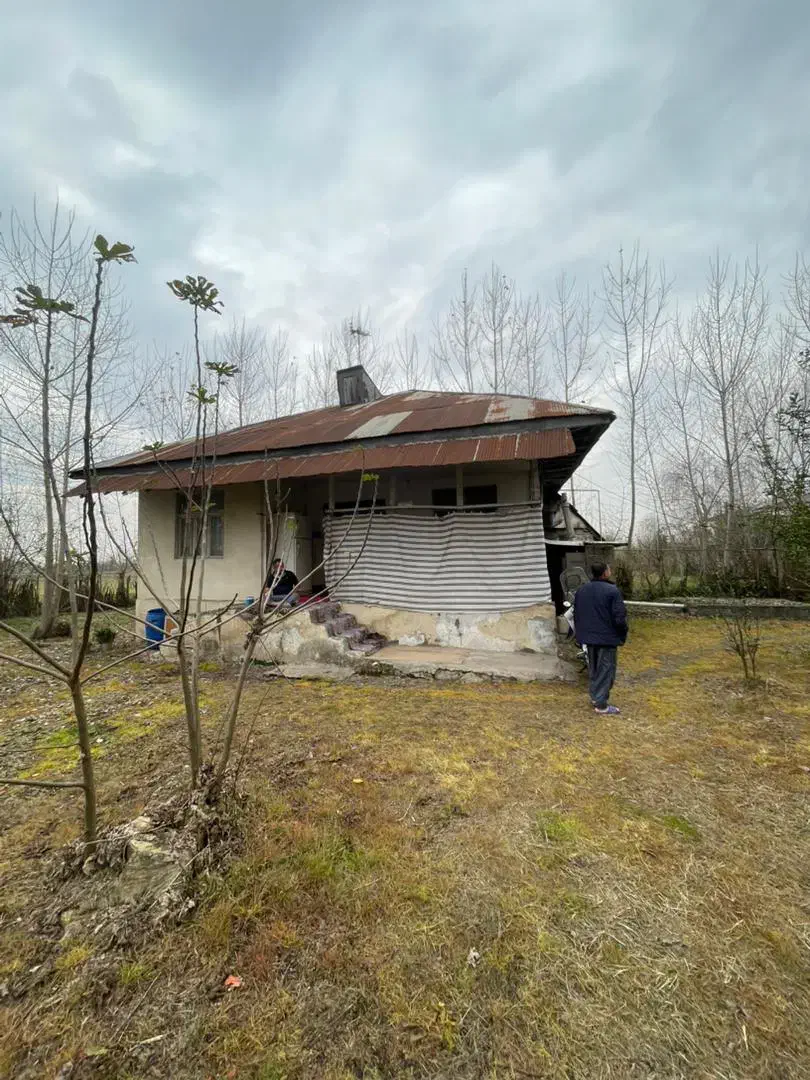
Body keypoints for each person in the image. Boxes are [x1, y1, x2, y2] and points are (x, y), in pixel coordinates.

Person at [573, 562, 628, 715]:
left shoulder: (582, 590)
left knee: (594, 669)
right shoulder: (612, 591)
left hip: (589, 637)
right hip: (606, 638)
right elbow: (619, 617)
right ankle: (601, 704)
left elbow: (577, 614)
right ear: (605, 573)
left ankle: (595, 697)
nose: (610, 571)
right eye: (609, 569)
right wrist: (623, 632)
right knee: (606, 670)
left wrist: (580, 635)